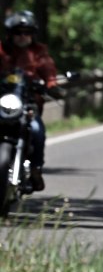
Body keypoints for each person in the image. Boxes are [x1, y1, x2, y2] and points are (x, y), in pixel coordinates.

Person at [0, 10, 65, 191]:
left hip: (28, 103)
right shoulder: (1, 50)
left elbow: (49, 72)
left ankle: (36, 170)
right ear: (10, 34)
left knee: (36, 130)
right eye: (18, 32)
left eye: (26, 32)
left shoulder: (39, 52)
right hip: (3, 101)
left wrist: (51, 86)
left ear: (32, 34)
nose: (22, 37)